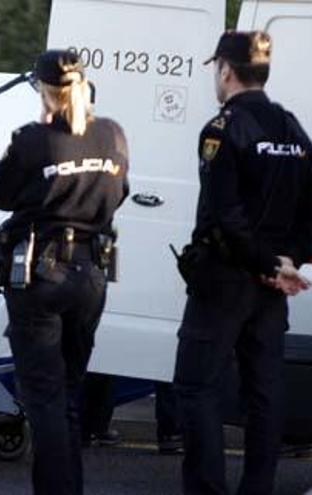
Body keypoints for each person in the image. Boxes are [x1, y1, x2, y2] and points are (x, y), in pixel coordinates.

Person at [173, 31, 312, 495]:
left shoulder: (223, 128)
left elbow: (226, 216)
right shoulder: (292, 129)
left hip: (227, 278)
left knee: (196, 386)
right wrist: (288, 260)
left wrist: (270, 264)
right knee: (264, 394)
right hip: (272, 286)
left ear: (226, 71)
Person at [0, 50, 129, 494]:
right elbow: (120, 192)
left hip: (40, 272)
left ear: (43, 92)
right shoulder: (112, 134)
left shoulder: (32, 139)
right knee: (67, 392)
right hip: (90, 272)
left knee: (45, 397)